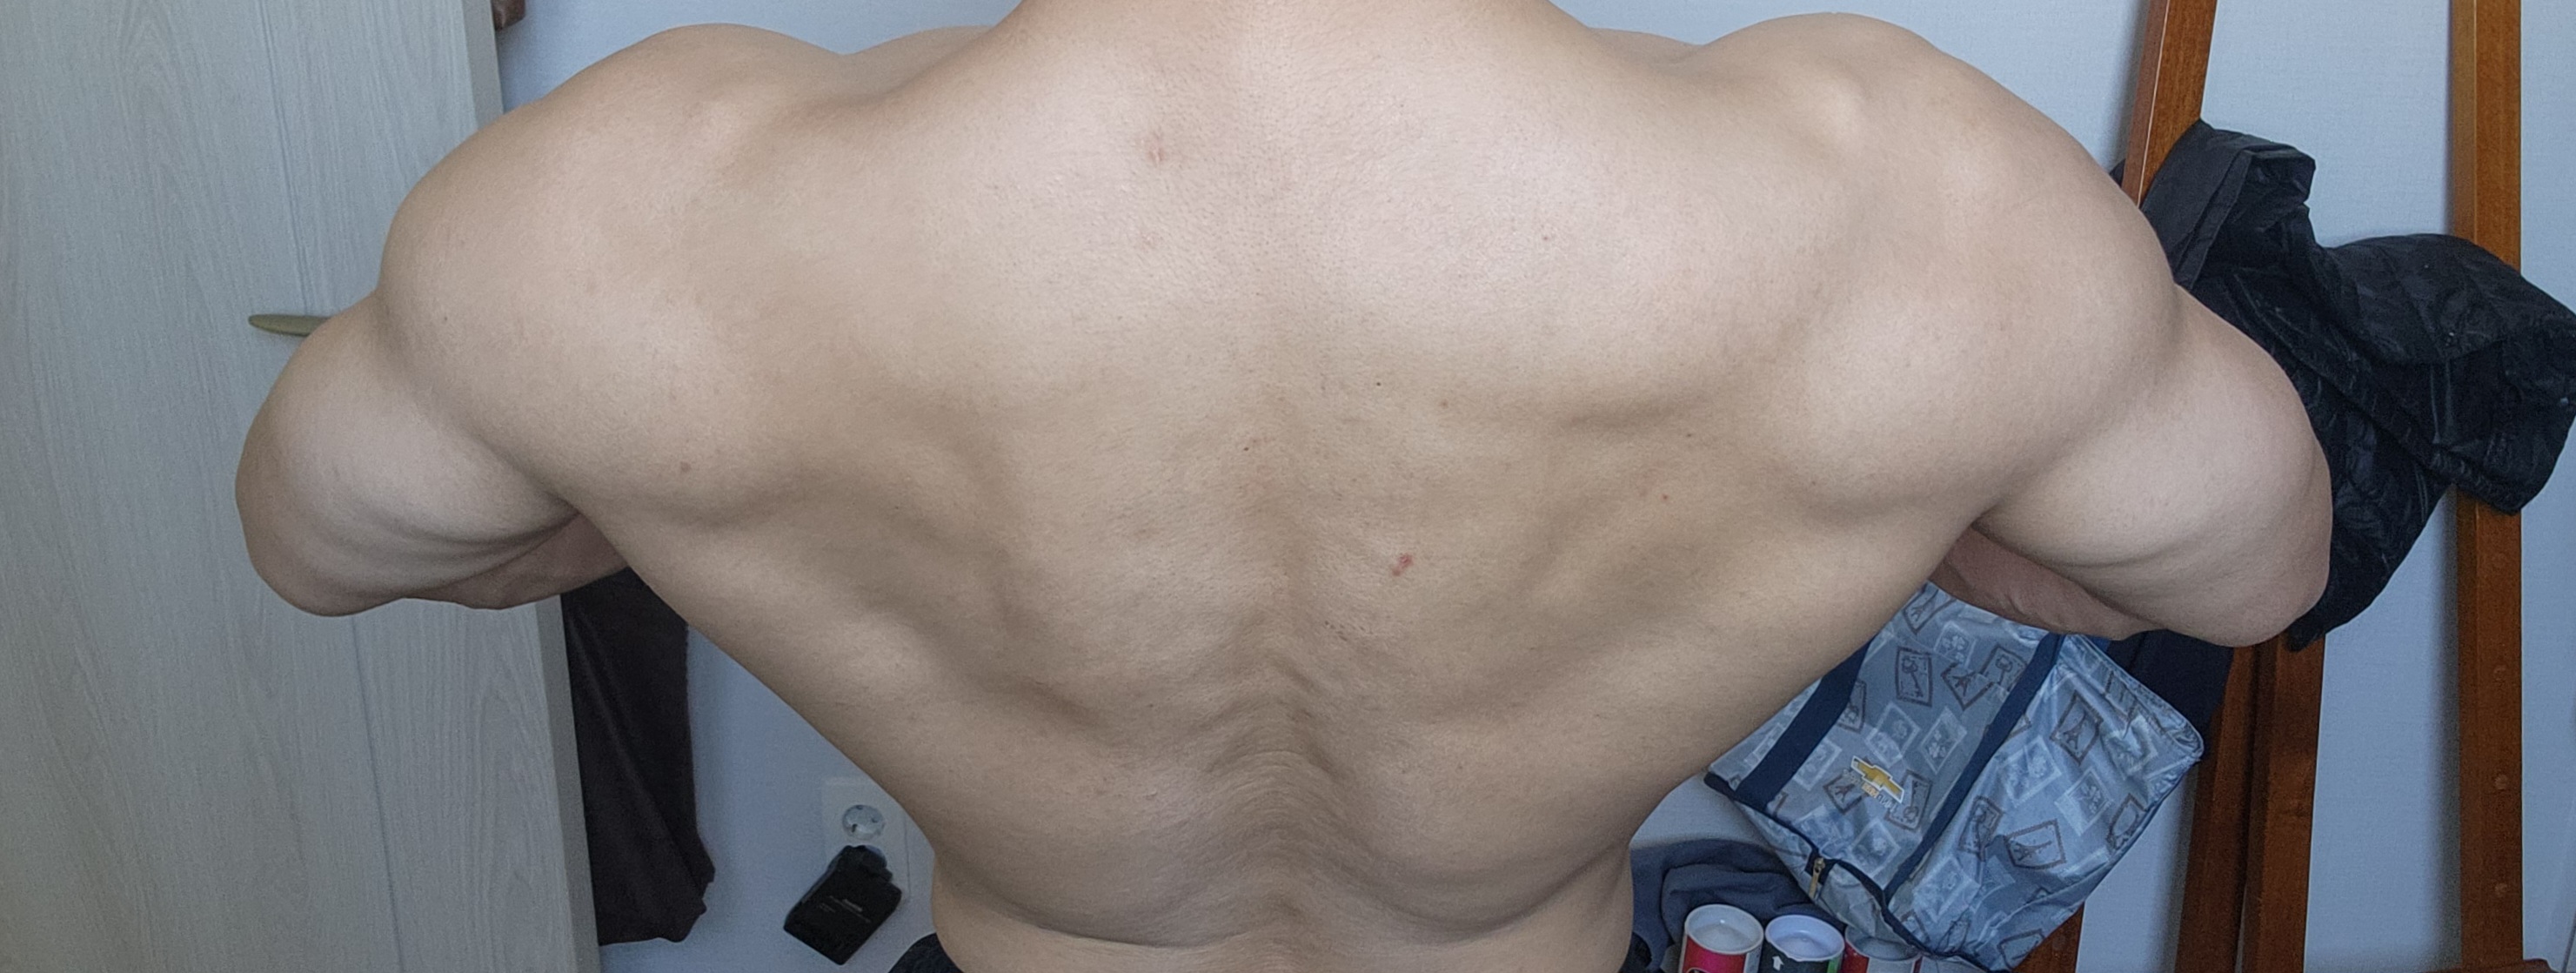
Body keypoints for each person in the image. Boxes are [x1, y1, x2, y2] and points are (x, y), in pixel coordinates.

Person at [235, 3, 2328, 970]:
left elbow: (317, 542)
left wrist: (688, 486)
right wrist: (1881, 501)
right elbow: (2255, 570)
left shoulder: (631, 212)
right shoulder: (1907, 201)